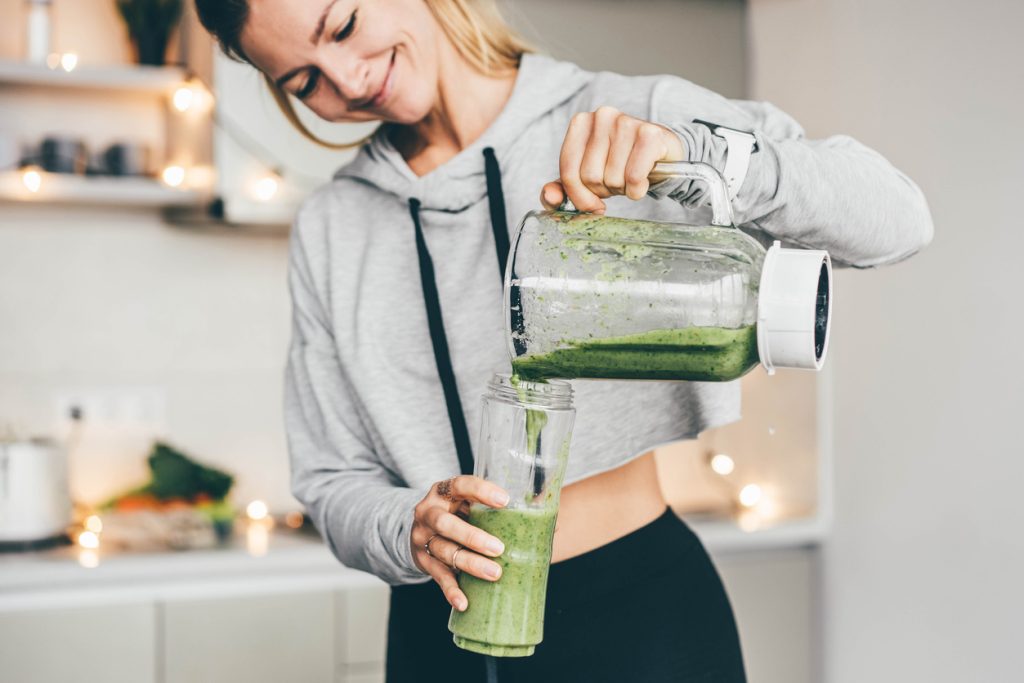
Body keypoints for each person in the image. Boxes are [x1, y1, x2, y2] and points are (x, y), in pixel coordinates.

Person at [195, 1, 933, 680]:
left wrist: (714, 158)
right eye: (303, 80)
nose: (348, 80)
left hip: (643, 615)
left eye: (345, 23)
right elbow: (330, 480)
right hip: (436, 635)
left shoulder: (628, 118)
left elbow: (900, 221)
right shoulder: (334, 226)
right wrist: (405, 529)